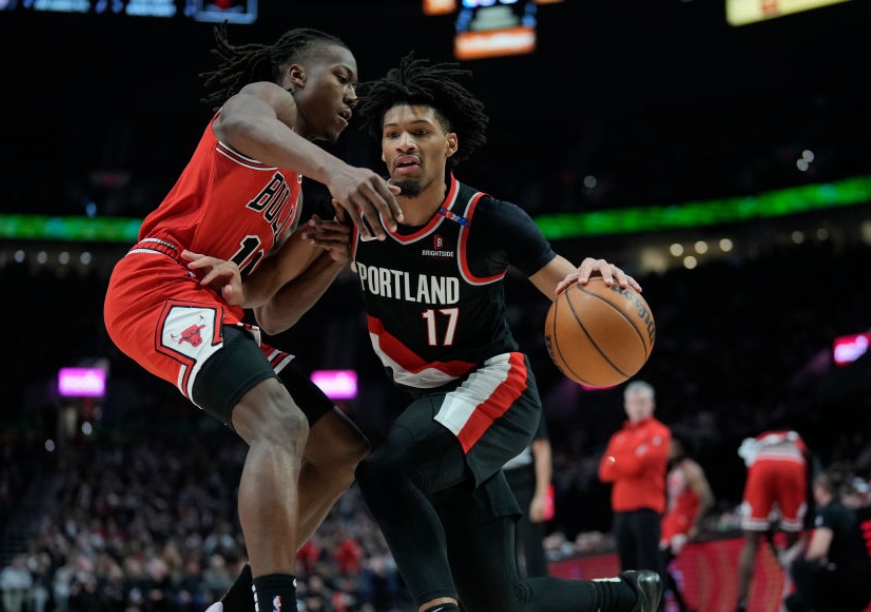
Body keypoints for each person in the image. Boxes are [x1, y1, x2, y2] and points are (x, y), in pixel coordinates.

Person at [270, 52, 664, 612]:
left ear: (448, 145)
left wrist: (593, 275)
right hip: (428, 404)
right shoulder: (354, 212)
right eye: (393, 134)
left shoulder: (488, 220)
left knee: (383, 472)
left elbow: (567, 286)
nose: (405, 143)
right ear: (380, 150)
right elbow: (277, 309)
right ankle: (630, 595)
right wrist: (316, 266)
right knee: (504, 602)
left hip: (494, 386)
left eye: (420, 132)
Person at [102, 22, 403, 612]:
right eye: (341, 78)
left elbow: (270, 307)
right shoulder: (267, 103)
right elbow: (239, 123)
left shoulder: (291, 187)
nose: (352, 96)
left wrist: (328, 260)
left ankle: (238, 604)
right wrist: (335, 171)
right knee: (282, 425)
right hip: (157, 283)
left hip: (216, 306)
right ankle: (274, 604)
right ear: (296, 76)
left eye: (356, 89)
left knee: (341, 451)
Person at [598, 381, 672, 578]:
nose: (638, 406)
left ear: (652, 404)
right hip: (622, 511)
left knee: (650, 565)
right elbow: (604, 471)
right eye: (634, 402)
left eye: (642, 402)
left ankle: (656, 608)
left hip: (647, 510)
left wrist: (618, 461)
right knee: (627, 569)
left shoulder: (660, 432)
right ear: (626, 405)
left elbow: (635, 465)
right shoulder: (618, 437)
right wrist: (631, 459)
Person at [733, 429, 809, 612]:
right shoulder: (796, 440)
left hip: (761, 464)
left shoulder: (757, 444)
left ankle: (742, 604)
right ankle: (798, 594)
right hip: (792, 462)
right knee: (793, 537)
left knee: (750, 541)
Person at [780, 471, 871, 612]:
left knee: (800, 569)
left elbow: (817, 552)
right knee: (797, 598)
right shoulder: (844, 511)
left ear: (820, 488)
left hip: (849, 588)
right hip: (863, 585)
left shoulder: (828, 513)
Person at [659, 428, 714, 612]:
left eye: (673, 446)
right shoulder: (673, 471)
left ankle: (680, 607)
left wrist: (696, 525)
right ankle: (681, 606)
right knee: (659, 568)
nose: (669, 450)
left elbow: (707, 499)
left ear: (682, 448)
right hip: (670, 527)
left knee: (661, 567)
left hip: (682, 527)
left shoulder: (691, 470)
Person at [502, 412, 554, 578]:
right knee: (502, 552)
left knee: (533, 549)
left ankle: (542, 597)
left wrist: (541, 495)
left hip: (525, 483)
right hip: (493, 482)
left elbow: (542, 449)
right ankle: (509, 600)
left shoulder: (526, 401)